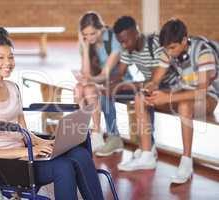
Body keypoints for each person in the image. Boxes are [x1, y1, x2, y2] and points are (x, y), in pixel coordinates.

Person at [0, 27, 104, 199]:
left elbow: (24, 131)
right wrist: (28, 151)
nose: (8, 62)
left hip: (26, 155)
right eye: (1, 58)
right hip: (3, 164)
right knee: (63, 167)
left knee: (80, 153)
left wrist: (48, 143)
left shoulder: (12, 87)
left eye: (11, 57)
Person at [117, 19, 219, 184]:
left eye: (172, 48)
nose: (169, 53)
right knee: (140, 97)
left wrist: (168, 97)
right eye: (166, 49)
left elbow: (201, 91)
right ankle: (147, 155)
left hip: (208, 97)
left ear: (184, 41)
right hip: (182, 90)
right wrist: (150, 88)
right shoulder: (168, 50)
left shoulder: (202, 51)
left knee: (185, 106)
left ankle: (186, 161)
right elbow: (156, 80)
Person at [112, 16, 177, 161]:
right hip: (148, 85)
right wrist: (108, 85)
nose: (123, 45)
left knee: (145, 95)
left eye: (125, 40)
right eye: (120, 42)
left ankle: (148, 145)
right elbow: (119, 74)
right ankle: (113, 137)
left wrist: (126, 85)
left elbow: (154, 80)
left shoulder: (154, 44)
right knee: (109, 93)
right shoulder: (128, 49)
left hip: (168, 86)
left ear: (136, 32)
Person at [74, 11, 128, 155]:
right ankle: (93, 133)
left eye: (93, 34)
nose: (89, 38)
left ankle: (110, 136)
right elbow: (86, 73)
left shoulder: (112, 40)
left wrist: (90, 80)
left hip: (117, 79)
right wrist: (85, 49)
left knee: (97, 89)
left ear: (101, 28)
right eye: (85, 34)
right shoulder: (86, 42)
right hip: (99, 80)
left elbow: (105, 74)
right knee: (80, 89)